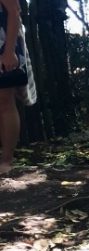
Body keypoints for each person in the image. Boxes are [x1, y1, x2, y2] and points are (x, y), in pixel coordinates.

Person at [0, 0, 36, 175]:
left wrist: (9, 52)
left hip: (3, 43)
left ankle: (6, 160)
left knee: (4, 101)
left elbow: (14, 11)